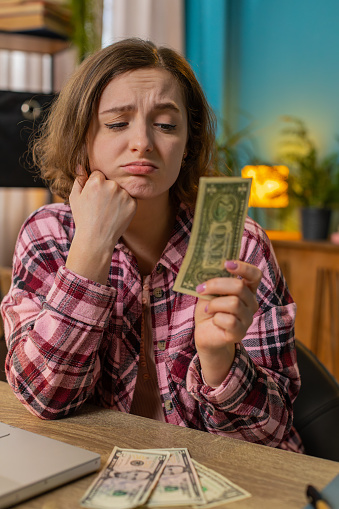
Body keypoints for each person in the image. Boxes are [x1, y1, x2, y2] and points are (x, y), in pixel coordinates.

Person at [0, 38, 303, 453]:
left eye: (165, 124)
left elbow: (270, 434)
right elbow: (43, 398)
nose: (142, 142)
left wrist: (219, 362)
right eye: (117, 123)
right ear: (81, 140)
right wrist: (91, 245)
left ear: (187, 144)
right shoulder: (47, 234)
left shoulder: (242, 243)